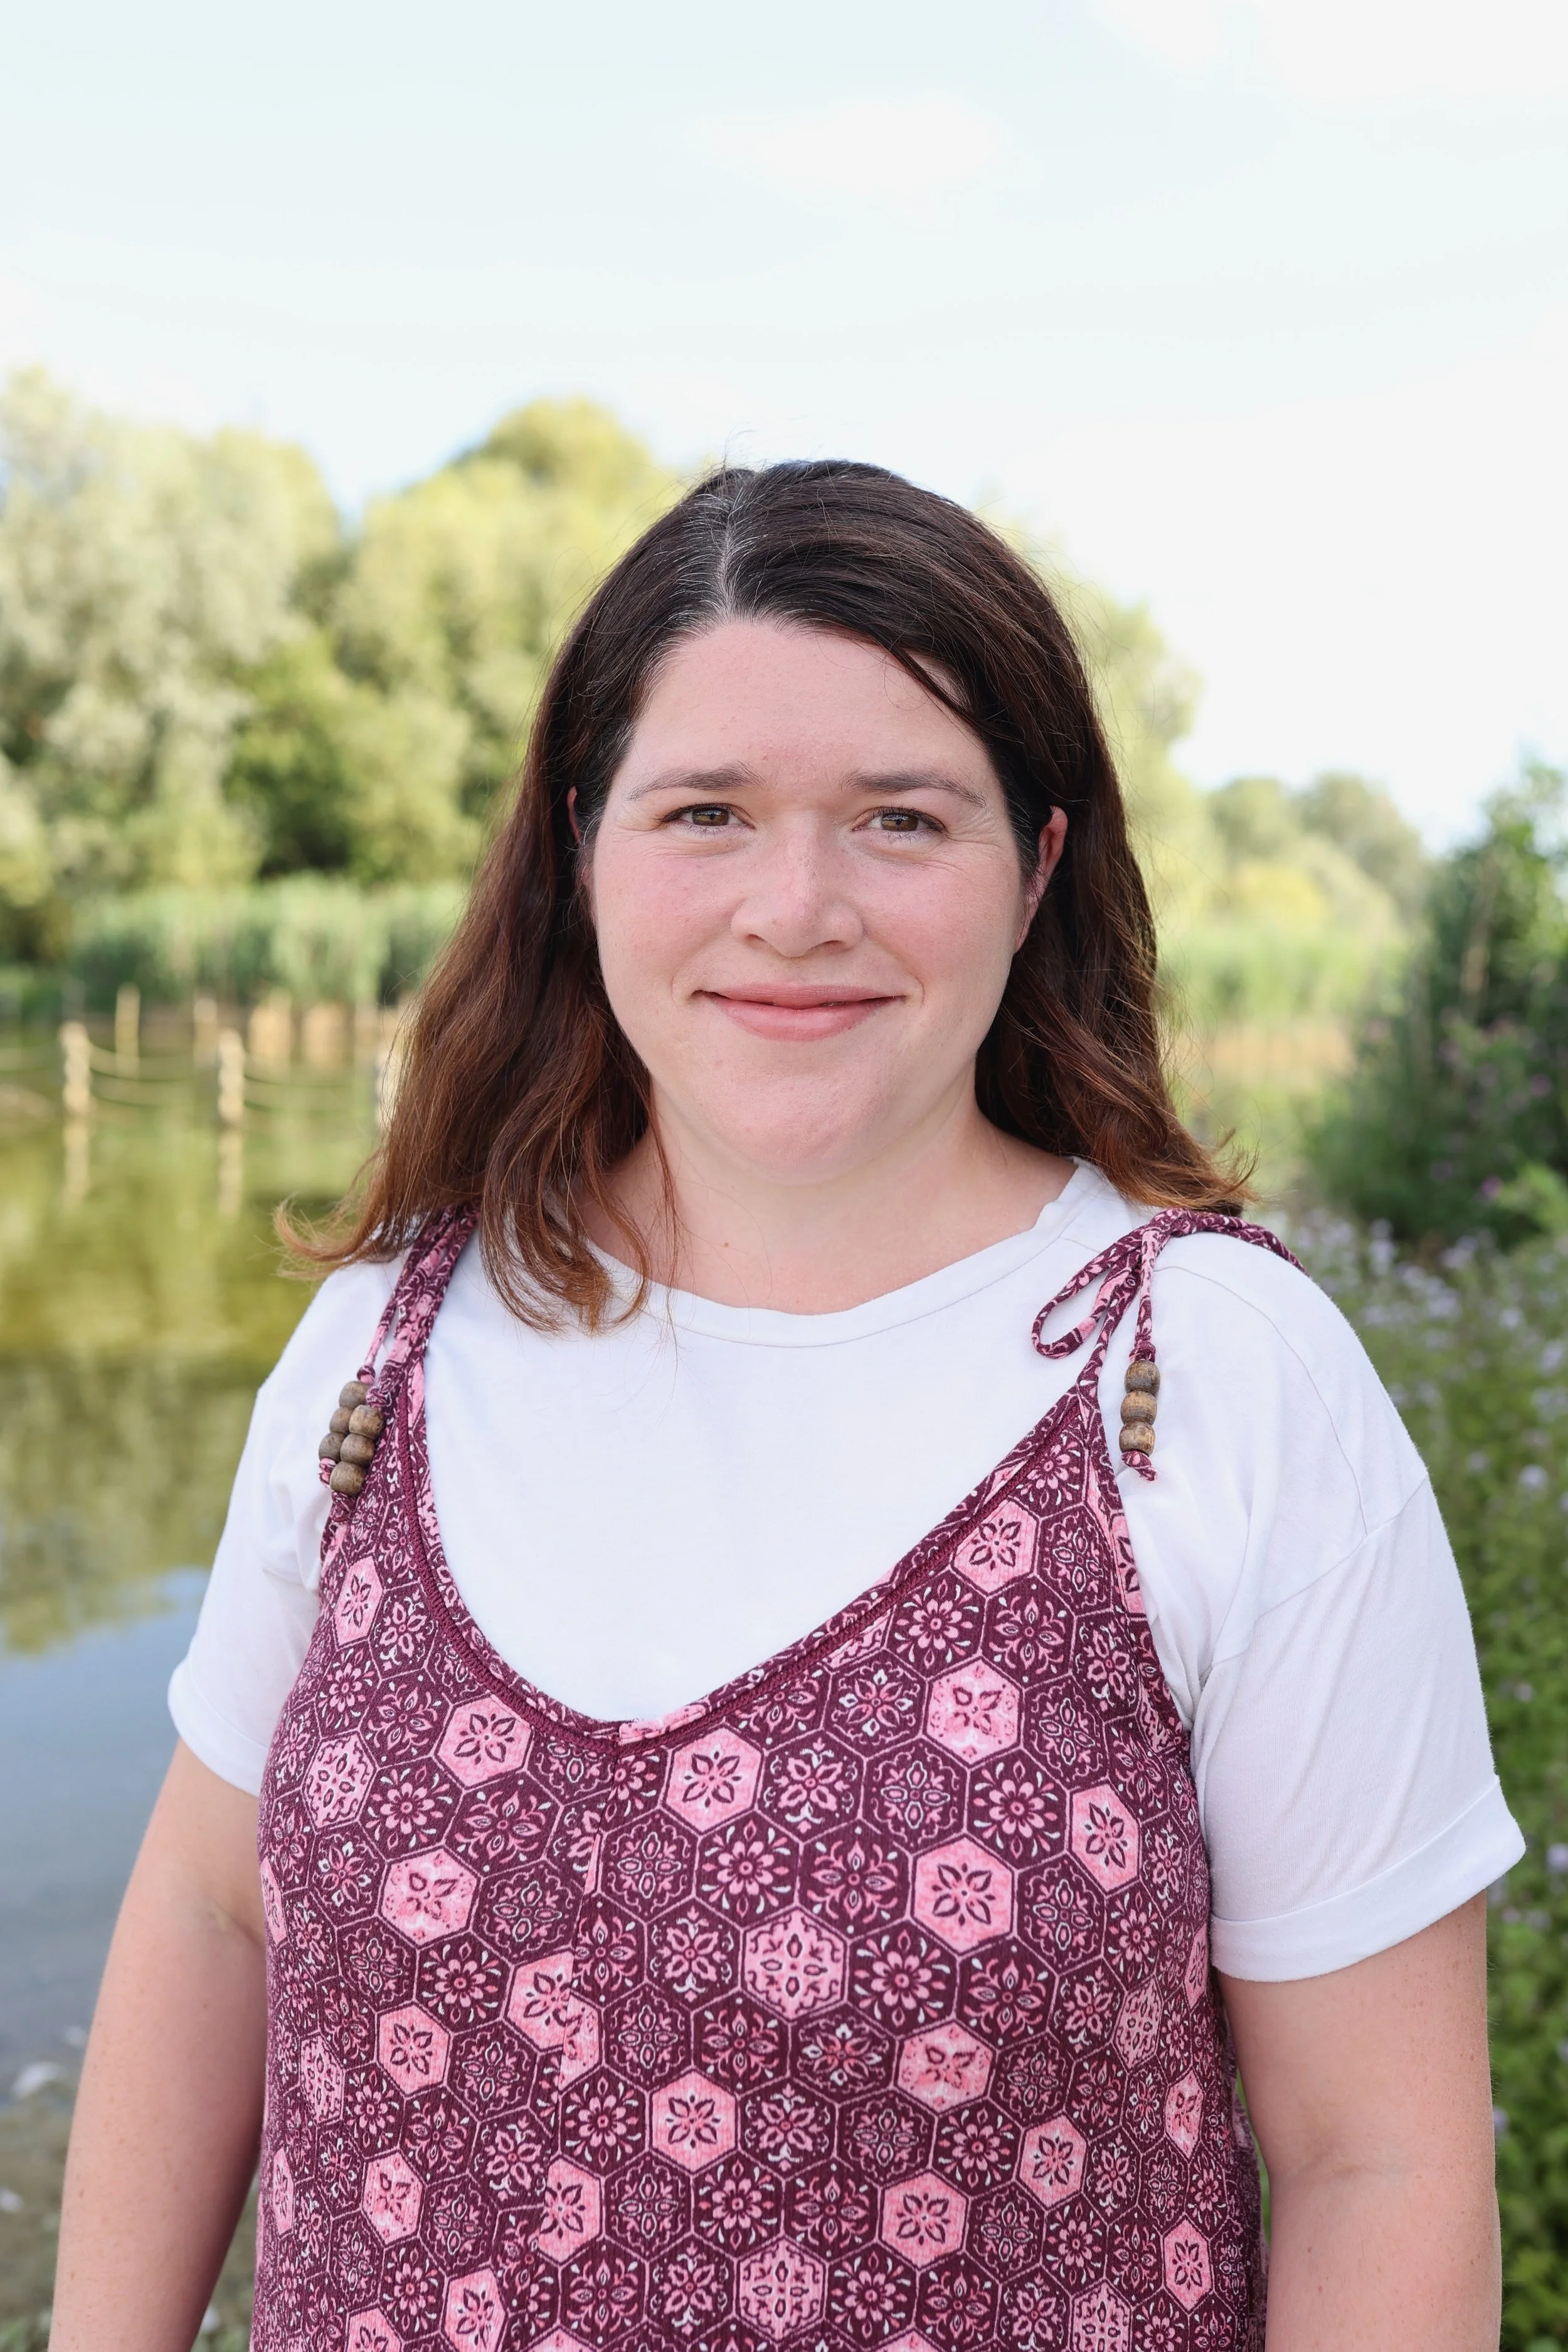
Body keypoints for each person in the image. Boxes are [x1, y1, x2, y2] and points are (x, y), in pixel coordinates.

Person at [53, 462, 1515, 2352]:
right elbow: (211, 1917)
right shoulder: (385, 1344)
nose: (797, 907)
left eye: (902, 818)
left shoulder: (1217, 1379)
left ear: (1037, 867)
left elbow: (1373, 2160)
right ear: (581, 849)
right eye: (706, 813)